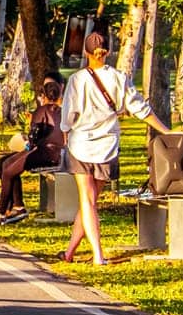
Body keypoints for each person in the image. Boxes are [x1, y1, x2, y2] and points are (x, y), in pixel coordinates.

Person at [60, 31, 171, 265]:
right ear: (108, 53)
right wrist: (166, 131)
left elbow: (68, 115)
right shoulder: (119, 78)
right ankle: (70, 252)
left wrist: (64, 131)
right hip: (107, 146)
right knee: (91, 201)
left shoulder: (77, 80)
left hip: (80, 144)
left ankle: (98, 255)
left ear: (87, 53)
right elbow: (141, 109)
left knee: (86, 200)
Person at [0, 78, 64, 223]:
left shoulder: (41, 111)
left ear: (43, 96)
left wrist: (27, 141)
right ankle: (17, 206)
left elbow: (34, 136)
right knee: (2, 163)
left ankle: (1, 210)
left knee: (7, 171)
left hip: (45, 153)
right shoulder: (62, 111)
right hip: (53, 152)